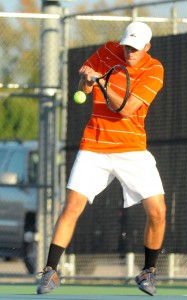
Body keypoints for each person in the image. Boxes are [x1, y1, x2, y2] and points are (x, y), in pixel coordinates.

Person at [37, 22, 166, 297]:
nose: (128, 51)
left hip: (132, 148)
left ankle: (148, 272)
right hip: (94, 145)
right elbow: (82, 90)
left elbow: (127, 109)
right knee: (71, 206)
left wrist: (103, 82)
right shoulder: (107, 51)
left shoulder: (154, 69)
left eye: (135, 47)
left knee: (158, 211)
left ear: (147, 47)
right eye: (126, 45)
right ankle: (50, 271)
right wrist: (86, 79)